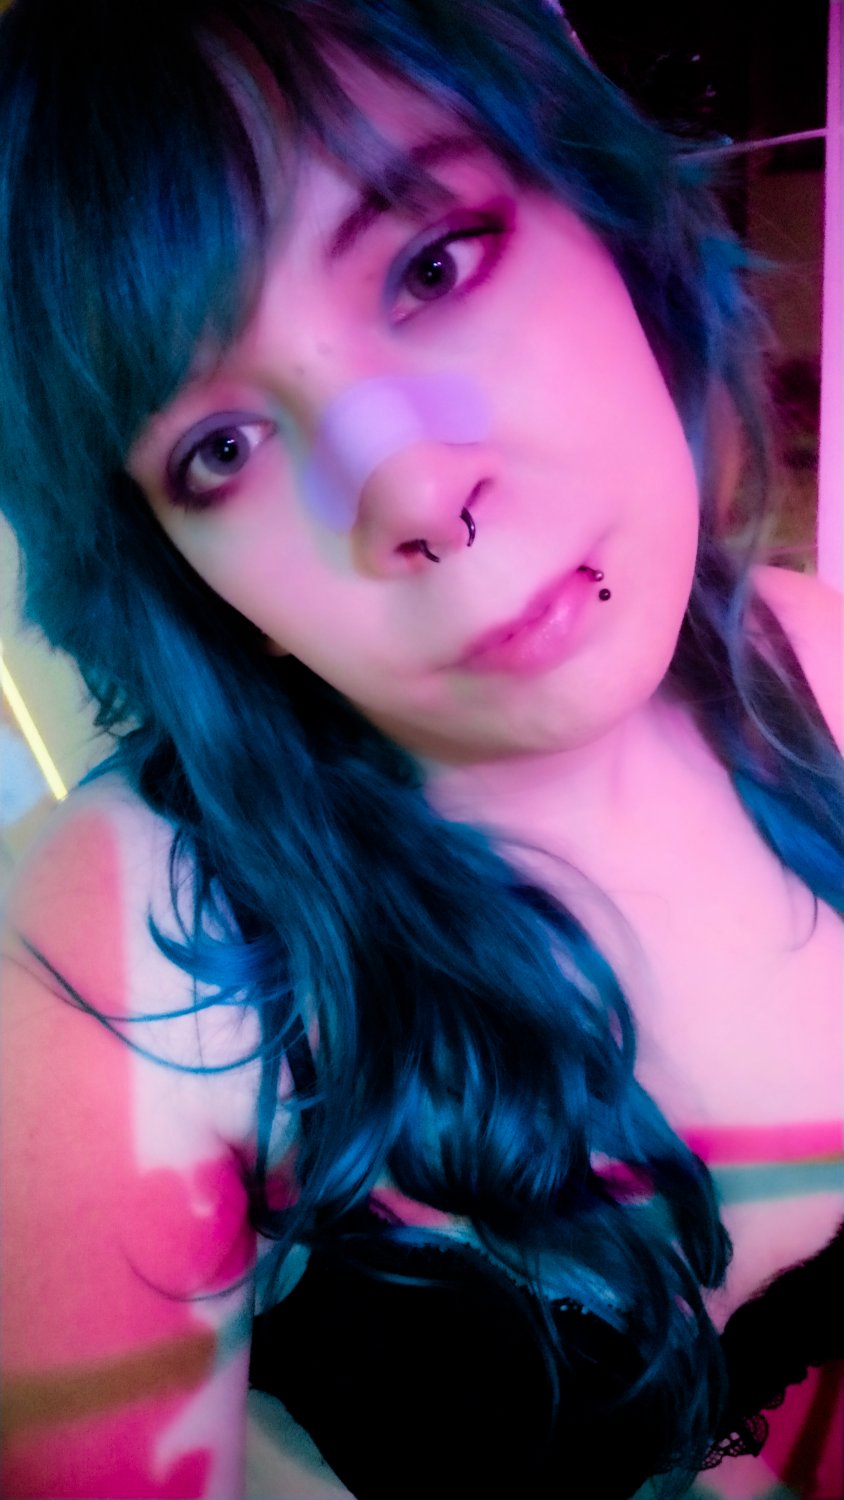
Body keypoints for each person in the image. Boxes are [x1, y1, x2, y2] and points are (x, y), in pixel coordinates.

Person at [0, 2, 841, 1497]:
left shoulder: (818, 660)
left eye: (433, 265)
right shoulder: (123, 952)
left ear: (598, 213)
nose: (411, 495)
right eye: (220, 450)